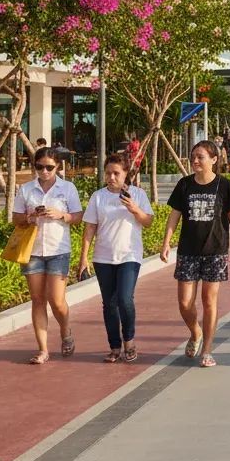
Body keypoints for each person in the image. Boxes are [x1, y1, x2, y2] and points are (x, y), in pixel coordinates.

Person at [160, 140, 230, 368]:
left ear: (214, 160)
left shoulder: (224, 185)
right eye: (193, 156)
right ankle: (195, 332)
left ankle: (207, 349)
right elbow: (174, 216)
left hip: (215, 251)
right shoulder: (185, 184)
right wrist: (166, 243)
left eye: (200, 157)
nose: (195, 161)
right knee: (184, 303)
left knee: (209, 300)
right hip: (188, 251)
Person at [78, 153, 154, 363]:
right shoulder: (98, 197)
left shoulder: (137, 194)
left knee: (125, 299)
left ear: (126, 173)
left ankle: (129, 341)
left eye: (116, 173)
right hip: (103, 257)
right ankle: (114, 347)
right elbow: (90, 228)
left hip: (129, 255)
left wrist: (135, 209)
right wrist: (84, 257)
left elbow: (148, 222)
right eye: (108, 173)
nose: (111, 177)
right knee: (109, 304)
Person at [11, 147, 83, 364]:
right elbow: (15, 218)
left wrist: (61, 215)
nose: (44, 171)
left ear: (57, 166)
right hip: (33, 251)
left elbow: (78, 216)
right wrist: (30, 217)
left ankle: (65, 330)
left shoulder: (67, 188)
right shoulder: (26, 189)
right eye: (39, 167)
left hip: (58, 250)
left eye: (49, 167)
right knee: (37, 299)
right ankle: (43, 349)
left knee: (57, 301)